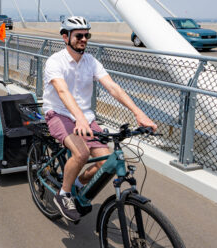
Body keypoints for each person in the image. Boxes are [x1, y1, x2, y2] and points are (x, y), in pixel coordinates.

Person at [42, 16, 157, 222]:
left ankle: (75, 182)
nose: (84, 39)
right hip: (58, 113)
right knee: (81, 153)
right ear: (65, 38)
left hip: (84, 116)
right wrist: (79, 119)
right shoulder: (55, 61)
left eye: (87, 35)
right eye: (79, 35)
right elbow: (62, 91)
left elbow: (113, 88)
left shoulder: (91, 62)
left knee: (105, 162)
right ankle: (64, 194)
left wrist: (139, 113)